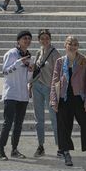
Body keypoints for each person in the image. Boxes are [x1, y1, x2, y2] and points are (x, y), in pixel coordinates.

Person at [51, 35, 86, 167]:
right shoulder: (60, 61)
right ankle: (66, 153)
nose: (72, 46)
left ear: (78, 46)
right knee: (63, 127)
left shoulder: (83, 61)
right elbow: (54, 81)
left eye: (75, 44)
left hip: (79, 98)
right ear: (65, 46)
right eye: (70, 44)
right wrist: (54, 101)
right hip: (64, 98)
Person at [0, 30, 33, 160]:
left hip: (23, 95)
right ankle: (1, 149)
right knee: (8, 123)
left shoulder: (29, 56)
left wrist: (30, 70)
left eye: (29, 39)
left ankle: (14, 149)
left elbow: (28, 78)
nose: (27, 41)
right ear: (18, 40)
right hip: (11, 93)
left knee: (19, 124)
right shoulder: (11, 53)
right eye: (24, 38)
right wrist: (19, 63)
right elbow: (5, 71)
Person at [29, 28, 60, 157]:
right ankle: (40, 145)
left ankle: (60, 146)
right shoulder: (38, 52)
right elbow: (35, 70)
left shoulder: (54, 53)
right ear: (39, 40)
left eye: (47, 38)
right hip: (37, 86)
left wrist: (55, 90)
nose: (45, 40)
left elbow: (59, 72)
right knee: (38, 118)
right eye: (42, 38)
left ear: (50, 39)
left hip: (49, 88)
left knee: (54, 118)